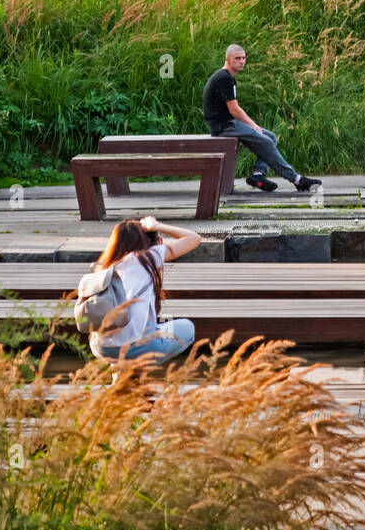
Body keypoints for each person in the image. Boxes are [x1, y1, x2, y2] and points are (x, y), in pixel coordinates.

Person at [202, 44, 321, 194]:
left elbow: (233, 110)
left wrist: (254, 127)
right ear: (227, 59)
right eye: (237, 58)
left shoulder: (227, 77)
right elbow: (234, 110)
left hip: (228, 123)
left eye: (244, 58)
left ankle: (258, 175)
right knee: (265, 140)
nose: (241, 61)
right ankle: (297, 179)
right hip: (223, 126)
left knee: (270, 136)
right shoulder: (224, 78)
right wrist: (254, 126)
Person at [88, 216, 199, 364]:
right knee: (187, 328)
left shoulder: (105, 266)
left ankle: (120, 373)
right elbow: (194, 238)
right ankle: (138, 369)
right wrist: (158, 226)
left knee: (146, 329)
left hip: (100, 347)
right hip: (134, 348)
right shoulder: (145, 257)